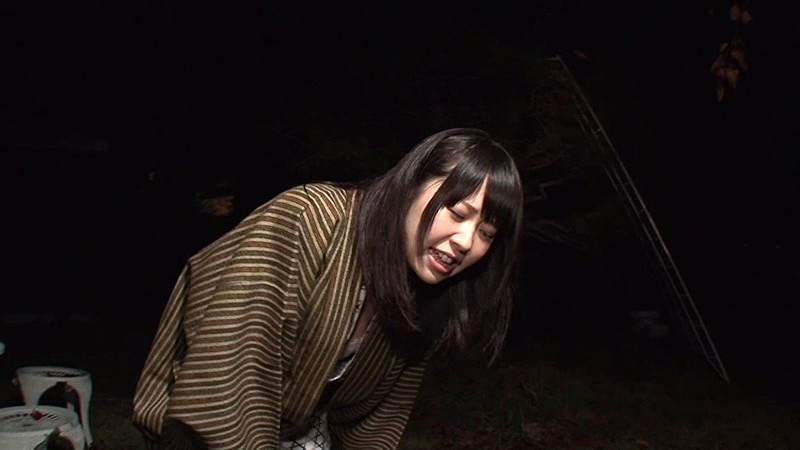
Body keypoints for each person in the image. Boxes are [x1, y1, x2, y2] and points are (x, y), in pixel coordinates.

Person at [132, 128, 524, 449]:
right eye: (457, 212)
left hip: (298, 428)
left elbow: (377, 421)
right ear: (412, 185)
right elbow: (230, 376)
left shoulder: (426, 296)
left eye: (487, 233)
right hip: (211, 420)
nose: (465, 242)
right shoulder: (307, 219)